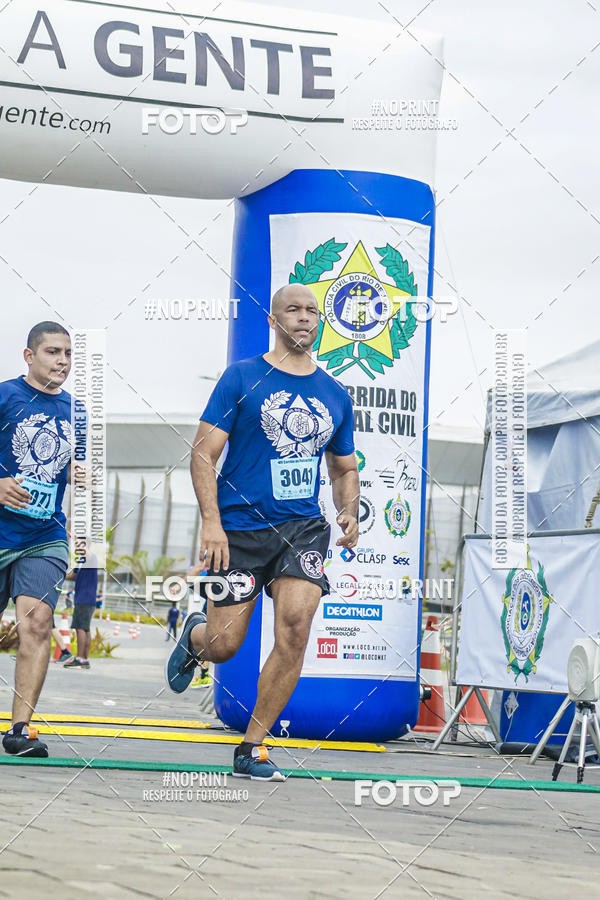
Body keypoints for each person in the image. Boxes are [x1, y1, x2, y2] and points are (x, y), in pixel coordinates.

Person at [166, 284, 359, 780]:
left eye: (312, 311)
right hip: (238, 529)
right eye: (293, 310)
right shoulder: (243, 377)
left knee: (296, 626)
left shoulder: (334, 394)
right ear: (274, 320)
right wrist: (211, 521)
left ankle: (253, 746)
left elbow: (342, 467)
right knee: (225, 645)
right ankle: (195, 638)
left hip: (302, 529)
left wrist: (349, 510)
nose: (304, 319)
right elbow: (203, 454)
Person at [0, 322, 73, 757]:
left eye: (67, 353)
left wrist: (76, 473)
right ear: (29, 356)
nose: (61, 361)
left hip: (44, 535)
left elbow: (71, 464)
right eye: (52, 352)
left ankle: (20, 730)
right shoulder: (6, 396)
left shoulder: (76, 411)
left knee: (38, 622)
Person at [64, 549, 98, 669]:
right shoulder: (82, 560)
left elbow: (86, 551)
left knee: (80, 629)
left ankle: (79, 659)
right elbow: (73, 575)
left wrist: (74, 537)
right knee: (85, 629)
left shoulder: (90, 557)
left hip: (84, 598)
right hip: (86, 599)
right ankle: (84, 659)